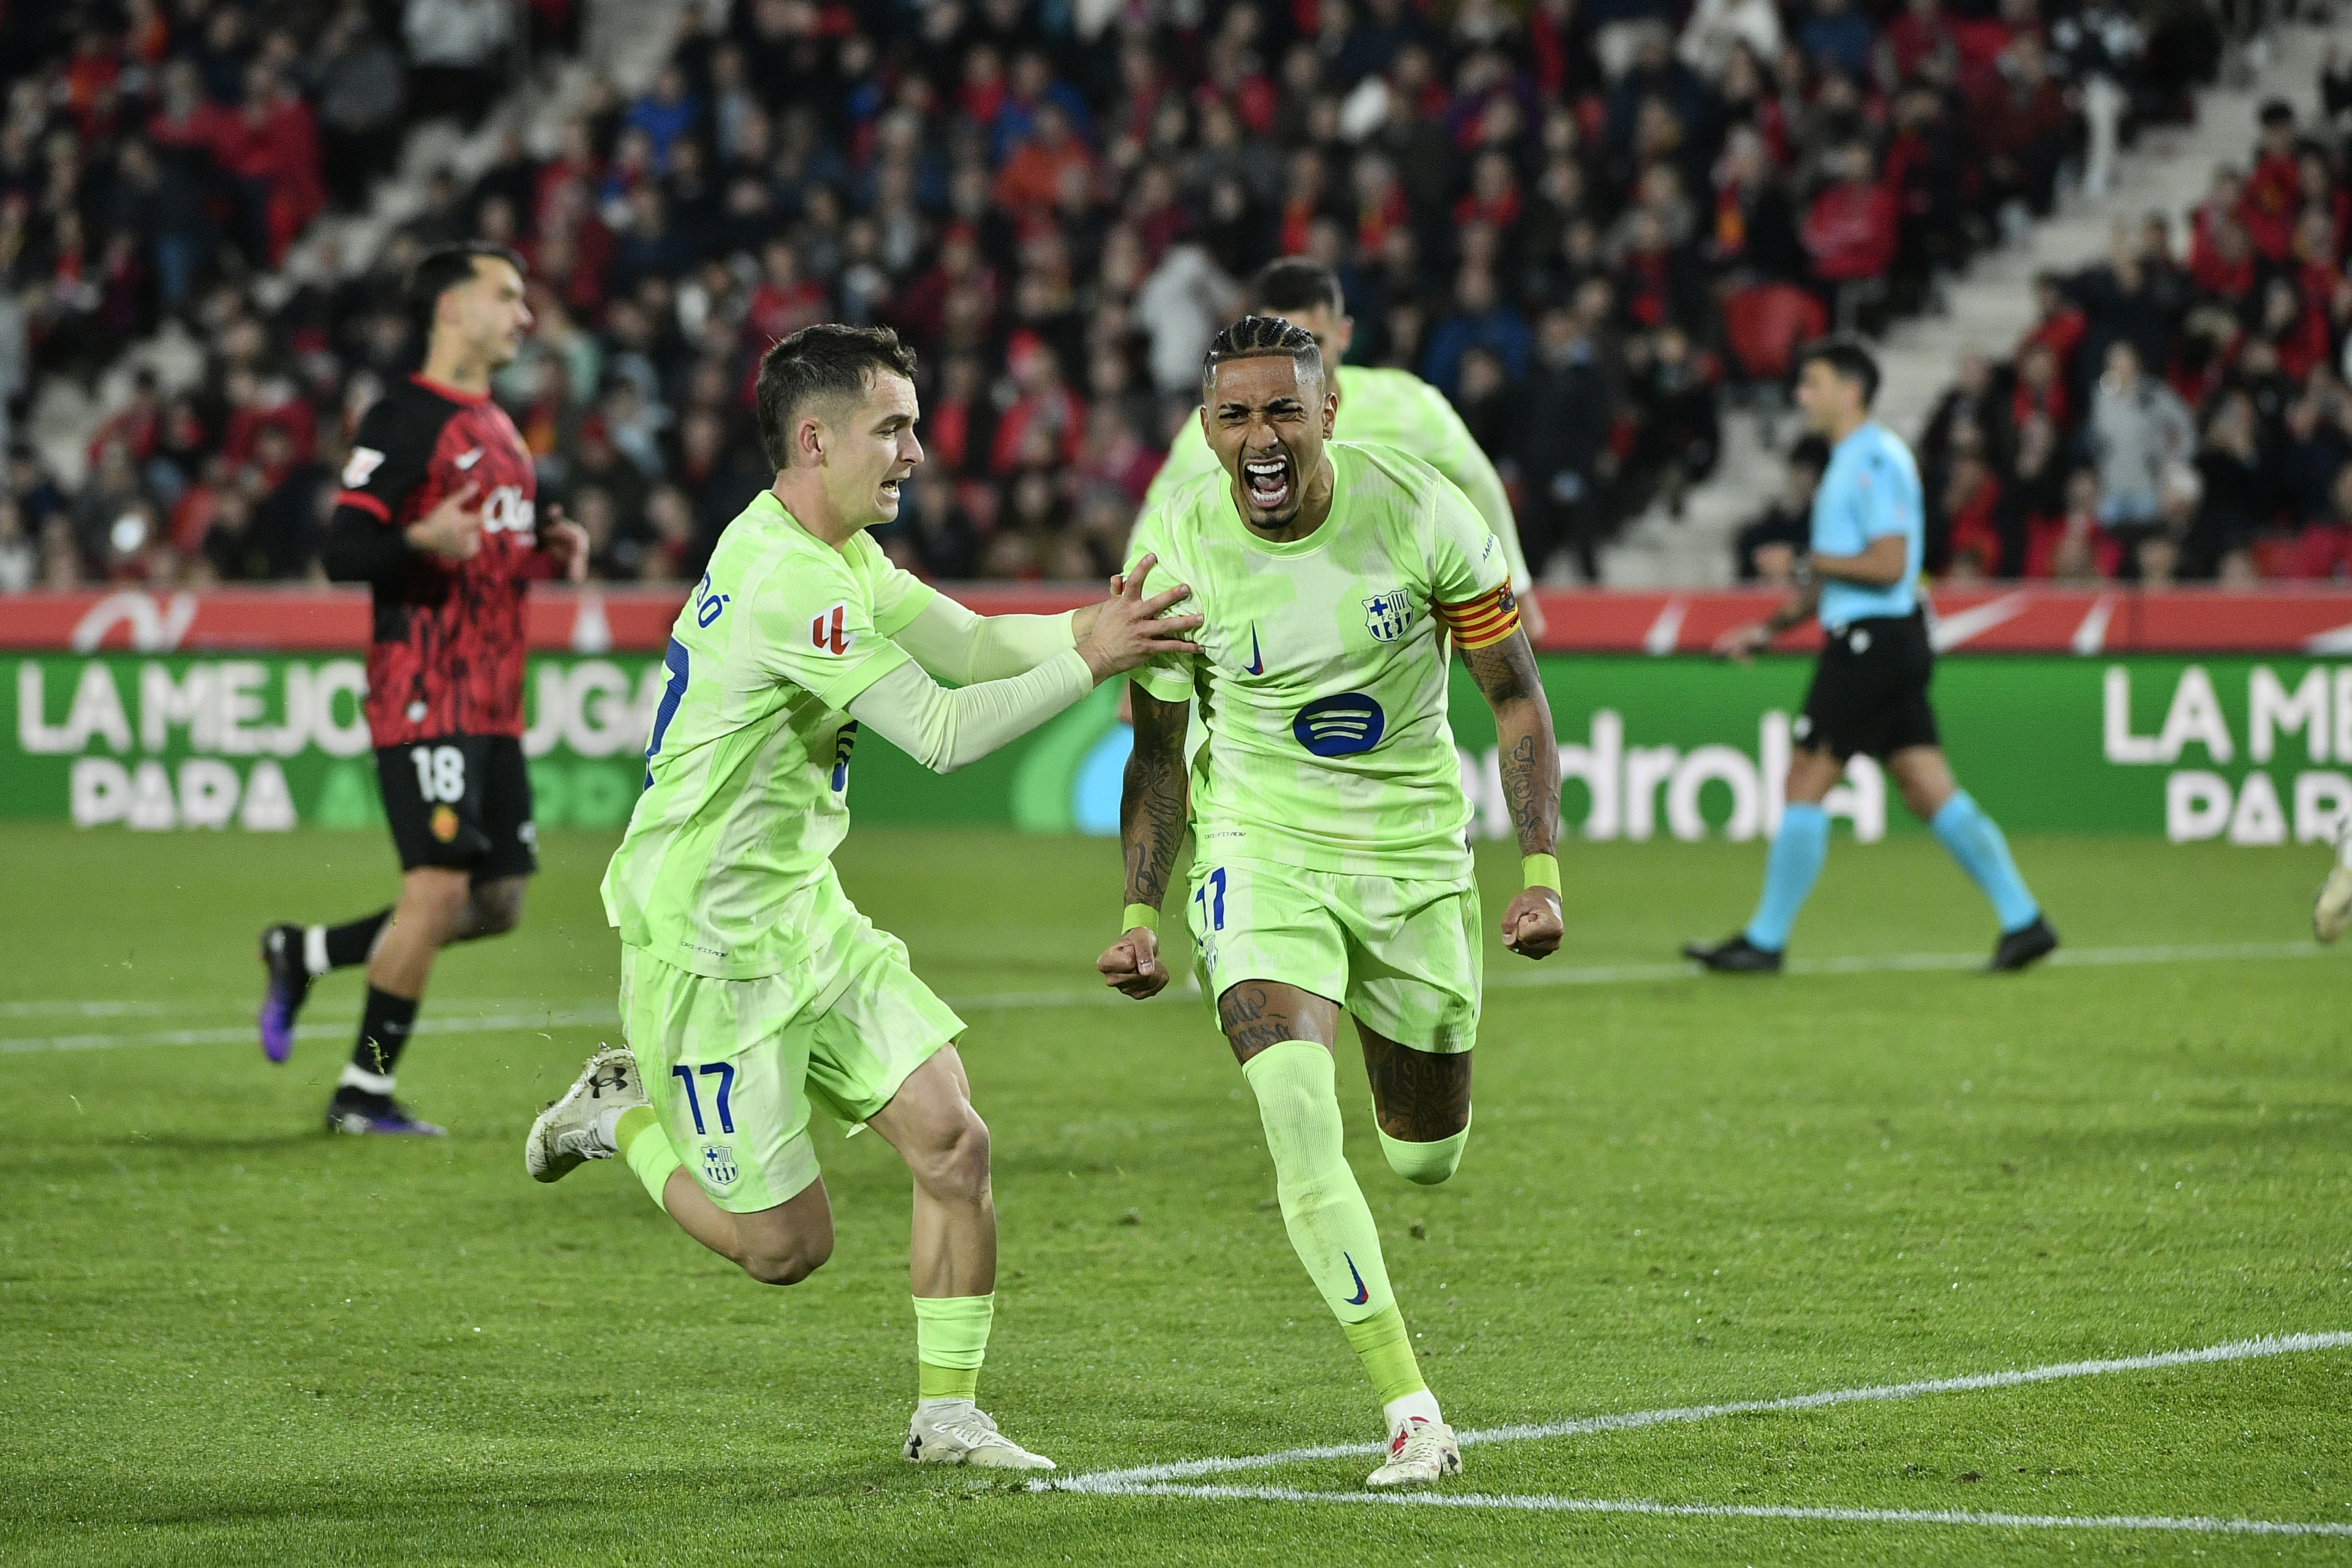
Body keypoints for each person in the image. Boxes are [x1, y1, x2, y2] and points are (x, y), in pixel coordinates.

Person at [522, 324, 1199, 1470]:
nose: (917, 452)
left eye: (916, 426)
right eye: (894, 429)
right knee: (785, 1250)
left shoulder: (836, 552)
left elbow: (976, 643)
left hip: (801, 911)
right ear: (814, 437)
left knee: (954, 1141)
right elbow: (938, 733)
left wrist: (1095, 628)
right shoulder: (791, 582)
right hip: (710, 947)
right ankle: (614, 1116)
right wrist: (1093, 664)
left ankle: (949, 1417)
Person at [1098, 316, 1566, 1489]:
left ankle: (1404, 1047)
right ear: (1207, 427)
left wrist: (1540, 876)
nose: (1258, 438)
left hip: (1411, 860)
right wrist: (1142, 913)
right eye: (1233, 416)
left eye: (1280, 412)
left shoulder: (1423, 513)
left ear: (1329, 413)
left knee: (1424, 1161)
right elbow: (1157, 753)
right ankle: (1410, 1411)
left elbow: (1516, 701)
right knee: (1297, 1114)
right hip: (1260, 853)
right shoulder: (1176, 548)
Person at [256, 242, 589, 1134]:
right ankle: (362, 1092)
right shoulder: (404, 419)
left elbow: (480, 549)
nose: (524, 315)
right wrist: (416, 540)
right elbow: (343, 551)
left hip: (492, 702)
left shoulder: (502, 430)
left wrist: (540, 547)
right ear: (450, 309)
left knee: (496, 902)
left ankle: (305, 950)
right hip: (423, 691)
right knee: (437, 892)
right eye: (506, 296)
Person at [1685, 337, 2058, 974]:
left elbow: (1887, 567)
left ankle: (1766, 941)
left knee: (1806, 778)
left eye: (1813, 384)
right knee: (1925, 785)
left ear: (1850, 391)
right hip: (1885, 638)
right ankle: (2025, 921)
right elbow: (1843, 579)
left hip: (1874, 643)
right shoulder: (1849, 461)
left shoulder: (1877, 460)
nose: (1802, 396)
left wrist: (1801, 558)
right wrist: (1768, 628)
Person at [1142, 258, 1546, 640]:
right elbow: (1155, 528)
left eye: (1313, 341)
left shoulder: (1408, 406)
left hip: (1388, 623)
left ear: (1344, 335)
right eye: (1281, 341)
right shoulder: (1216, 430)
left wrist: (1517, 591)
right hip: (1268, 624)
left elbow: (1478, 483)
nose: (1298, 360)